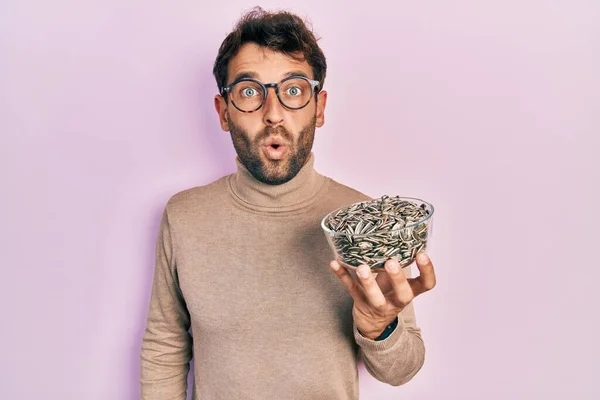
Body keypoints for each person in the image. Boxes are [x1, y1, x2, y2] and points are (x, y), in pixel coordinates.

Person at [140, 7, 436, 400]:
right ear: (223, 113)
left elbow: (402, 370)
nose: (273, 114)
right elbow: (165, 345)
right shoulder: (184, 216)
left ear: (320, 107)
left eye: (293, 90)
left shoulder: (361, 222)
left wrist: (379, 326)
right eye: (249, 92)